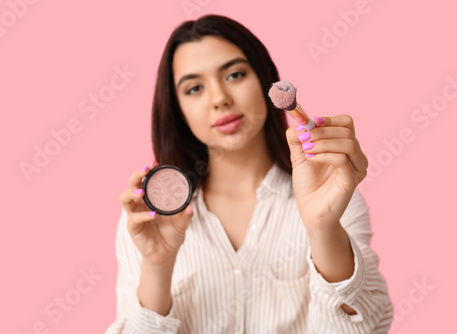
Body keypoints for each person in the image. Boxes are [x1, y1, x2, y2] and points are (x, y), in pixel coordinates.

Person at [106, 14, 393, 334]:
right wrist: (157, 266)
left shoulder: (331, 194)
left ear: (265, 81)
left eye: (235, 74)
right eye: (195, 88)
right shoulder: (148, 217)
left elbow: (366, 327)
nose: (219, 99)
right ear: (178, 110)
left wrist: (322, 227)